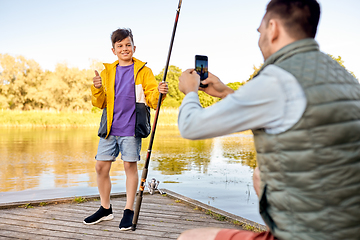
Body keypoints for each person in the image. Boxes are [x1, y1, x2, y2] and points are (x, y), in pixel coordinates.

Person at [177, 0, 360, 239]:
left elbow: (191, 126)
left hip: (309, 233)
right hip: (348, 226)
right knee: (259, 175)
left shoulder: (278, 78)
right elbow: (288, 111)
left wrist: (190, 91)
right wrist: (223, 92)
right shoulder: (339, 73)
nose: (260, 37)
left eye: (260, 30)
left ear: (273, 28)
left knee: (190, 237)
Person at [83, 28, 168, 231]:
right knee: (100, 167)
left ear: (134, 47)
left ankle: (128, 210)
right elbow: (100, 103)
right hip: (109, 129)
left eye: (127, 45)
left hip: (131, 128)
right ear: (113, 50)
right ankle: (105, 209)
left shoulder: (143, 71)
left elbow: (152, 100)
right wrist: (96, 88)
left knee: (130, 167)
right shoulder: (106, 72)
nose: (124, 48)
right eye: (120, 46)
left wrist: (160, 93)